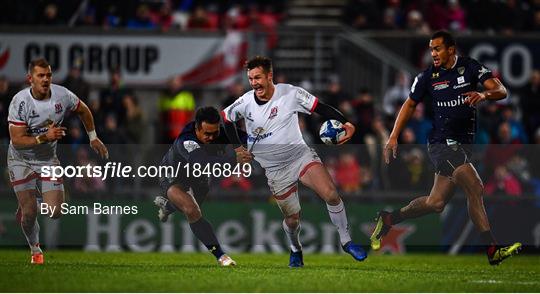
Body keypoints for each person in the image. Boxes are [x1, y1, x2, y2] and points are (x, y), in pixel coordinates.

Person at [370, 31, 521, 266]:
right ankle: (492, 249)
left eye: (438, 48)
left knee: (435, 203)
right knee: (476, 186)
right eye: (431, 49)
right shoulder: (427, 77)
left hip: (463, 145)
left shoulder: (470, 67)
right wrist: (393, 136)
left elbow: (501, 91)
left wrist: (483, 94)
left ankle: (389, 218)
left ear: (451, 49)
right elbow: (410, 104)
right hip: (441, 144)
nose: (433, 54)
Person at [221, 56, 367, 268]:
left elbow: (321, 107)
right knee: (293, 220)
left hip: (300, 156)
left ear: (270, 76)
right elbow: (225, 118)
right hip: (275, 170)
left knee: (331, 194)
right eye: (251, 79)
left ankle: (346, 241)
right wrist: (237, 148)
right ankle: (296, 249)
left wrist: (347, 123)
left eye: (258, 77)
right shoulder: (245, 102)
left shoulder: (290, 93)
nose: (254, 83)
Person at [7, 58, 108, 264]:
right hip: (21, 159)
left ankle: (31, 202)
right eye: (40, 76)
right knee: (28, 216)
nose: (45, 79)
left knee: (55, 212)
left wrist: (93, 137)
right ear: (30, 79)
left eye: (49, 75)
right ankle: (36, 250)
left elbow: (84, 110)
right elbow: (17, 140)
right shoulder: (20, 101)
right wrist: (44, 137)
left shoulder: (63, 95)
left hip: (47, 160)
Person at [153, 106, 248, 267]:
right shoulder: (187, 141)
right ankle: (221, 256)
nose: (211, 137)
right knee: (192, 210)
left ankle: (168, 206)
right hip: (173, 175)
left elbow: (247, 138)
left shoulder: (220, 132)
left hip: (198, 177)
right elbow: (202, 164)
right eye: (207, 134)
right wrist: (235, 160)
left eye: (214, 133)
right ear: (197, 128)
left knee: (192, 208)